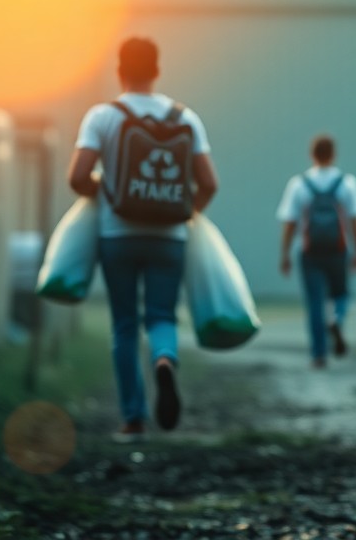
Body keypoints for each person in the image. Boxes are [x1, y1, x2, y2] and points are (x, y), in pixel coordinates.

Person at [67, 37, 219, 442]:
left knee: (124, 325)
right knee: (162, 316)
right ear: (157, 71)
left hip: (117, 235)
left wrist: (109, 193)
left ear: (120, 71)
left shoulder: (102, 117)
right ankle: (165, 361)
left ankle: (133, 418)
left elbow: (77, 177)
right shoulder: (186, 118)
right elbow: (208, 183)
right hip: (169, 236)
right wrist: (185, 213)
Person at [276, 134, 356, 369]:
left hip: (309, 252)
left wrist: (285, 254)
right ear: (334, 154)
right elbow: (355, 220)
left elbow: (290, 223)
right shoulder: (347, 183)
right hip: (338, 249)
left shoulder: (299, 184)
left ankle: (318, 354)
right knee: (341, 294)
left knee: (315, 302)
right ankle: (336, 319)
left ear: (312, 154)